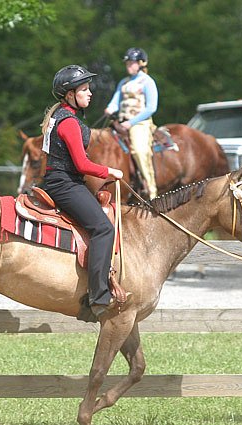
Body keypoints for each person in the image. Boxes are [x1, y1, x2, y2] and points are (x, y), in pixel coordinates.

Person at [40, 65, 125, 320]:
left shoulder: (61, 117)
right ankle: (98, 297)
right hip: (65, 183)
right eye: (84, 89)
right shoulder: (69, 122)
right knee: (103, 228)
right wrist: (111, 171)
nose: (90, 94)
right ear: (69, 94)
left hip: (61, 180)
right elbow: (82, 165)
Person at [104, 47, 159, 198]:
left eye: (132, 63)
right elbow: (116, 101)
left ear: (141, 63)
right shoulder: (123, 82)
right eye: (127, 63)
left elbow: (151, 107)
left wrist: (132, 122)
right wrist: (110, 108)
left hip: (139, 123)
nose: (128, 65)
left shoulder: (147, 81)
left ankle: (152, 190)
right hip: (120, 122)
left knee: (139, 151)